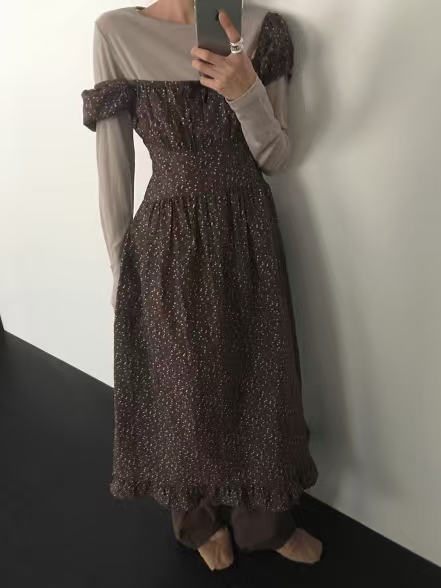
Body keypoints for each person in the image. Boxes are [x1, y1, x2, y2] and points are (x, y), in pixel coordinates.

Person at [81, 0, 323, 571]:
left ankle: (265, 523)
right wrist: (120, 265)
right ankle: (198, 520)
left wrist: (245, 90)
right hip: (166, 238)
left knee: (260, 374)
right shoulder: (116, 33)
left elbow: (276, 156)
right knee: (181, 382)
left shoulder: (262, 30)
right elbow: (113, 161)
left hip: (246, 230)